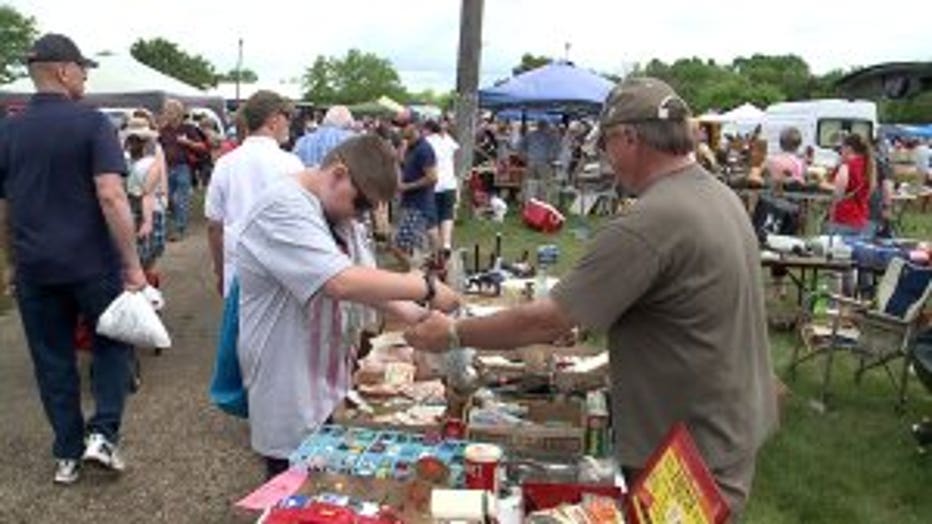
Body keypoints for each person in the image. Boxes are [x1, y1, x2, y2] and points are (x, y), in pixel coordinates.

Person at [405, 77, 778, 518]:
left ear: (629, 138)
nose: (606, 158)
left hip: (688, 449)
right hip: (726, 426)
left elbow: (549, 320)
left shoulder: (651, 221)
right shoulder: (717, 195)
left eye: (607, 144)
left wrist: (452, 332)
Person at [235, 134, 459, 479]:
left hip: (328, 378)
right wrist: (425, 286)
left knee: (331, 484)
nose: (362, 215)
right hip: (289, 380)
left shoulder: (338, 215)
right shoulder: (281, 207)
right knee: (293, 485)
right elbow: (340, 281)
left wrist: (419, 315)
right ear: (338, 174)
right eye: (362, 204)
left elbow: (366, 282)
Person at [0, 33, 148, 484]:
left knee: (53, 360)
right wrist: (134, 265)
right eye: (82, 69)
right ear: (63, 71)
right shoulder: (93, 124)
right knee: (111, 345)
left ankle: (66, 453)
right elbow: (111, 194)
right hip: (91, 264)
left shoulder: (7, 130)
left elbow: (3, 207)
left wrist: (10, 262)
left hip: (35, 267)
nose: (85, 76)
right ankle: (102, 436)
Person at [205, 91, 304, 296]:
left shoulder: (225, 164)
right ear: (274, 120)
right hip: (280, 272)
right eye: (288, 118)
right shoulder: (292, 164)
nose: (290, 124)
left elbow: (214, 226)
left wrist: (219, 270)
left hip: (237, 270)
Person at [122, 117, 167, 282]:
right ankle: (147, 298)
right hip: (149, 213)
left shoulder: (121, 160)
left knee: (130, 260)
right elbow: (147, 194)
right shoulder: (151, 163)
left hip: (127, 213)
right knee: (148, 261)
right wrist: (147, 221)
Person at [158, 99, 207, 241]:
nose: (167, 113)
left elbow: (202, 147)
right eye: (166, 110)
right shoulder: (163, 130)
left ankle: (179, 229)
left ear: (178, 113)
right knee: (169, 199)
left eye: (170, 111)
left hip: (183, 167)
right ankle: (174, 226)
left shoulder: (189, 129)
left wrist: (188, 143)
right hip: (166, 168)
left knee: (181, 198)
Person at [394, 120, 439, 267]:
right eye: (399, 126)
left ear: (414, 126)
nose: (400, 129)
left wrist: (406, 187)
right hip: (413, 203)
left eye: (403, 125)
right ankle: (431, 271)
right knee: (419, 246)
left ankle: (417, 275)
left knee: (398, 247)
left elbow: (432, 178)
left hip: (418, 205)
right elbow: (402, 166)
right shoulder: (409, 147)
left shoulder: (424, 149)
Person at [823, 133, 875, 237]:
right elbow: (870, 190)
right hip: (861, 217)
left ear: (849, 148)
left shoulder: (846, 166)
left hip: (843, 216)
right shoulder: (869, 165)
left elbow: (838, 194)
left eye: (842, 147)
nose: (840, 151)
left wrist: (823, 185)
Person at [424, 119, 460, 256]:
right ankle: (446, 243)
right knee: (447, 214)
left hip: (433, 184)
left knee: (431, 218)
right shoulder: (450, 140)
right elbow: (455, 159)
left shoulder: (427, 142)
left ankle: (436, 248)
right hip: (449, 183)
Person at [519, 120, 560, 203]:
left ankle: (529, 202)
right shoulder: (551, 136)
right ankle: (544, 203)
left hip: (531, 162)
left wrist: (524, 157)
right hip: (544, 163)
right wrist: (551, 159)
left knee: (530, 184)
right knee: (546, 184)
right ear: (546, 126)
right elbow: (556, 150)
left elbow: (520, 147)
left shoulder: (529, 135)